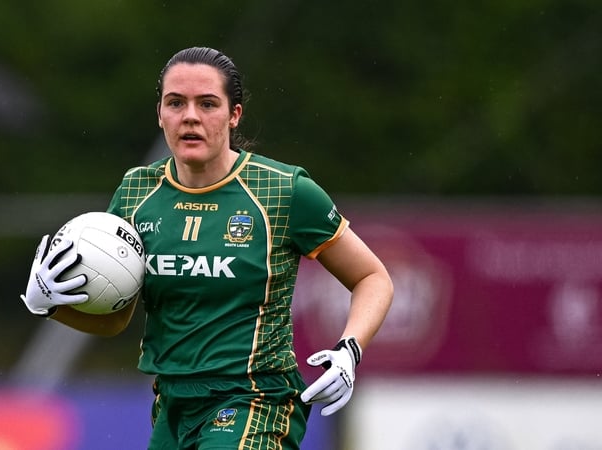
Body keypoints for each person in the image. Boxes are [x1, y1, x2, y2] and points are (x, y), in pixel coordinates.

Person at [20, 46, 393, 449]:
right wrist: (49, 304)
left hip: (255, 400)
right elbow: (116, 317)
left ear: (234, 115)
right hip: (171, 405)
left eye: (208, 104)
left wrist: (349, 351)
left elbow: (373, 277)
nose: (190, 116)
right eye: (176, 103)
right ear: (160, 114)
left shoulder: (283, 190)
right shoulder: (136, 191)